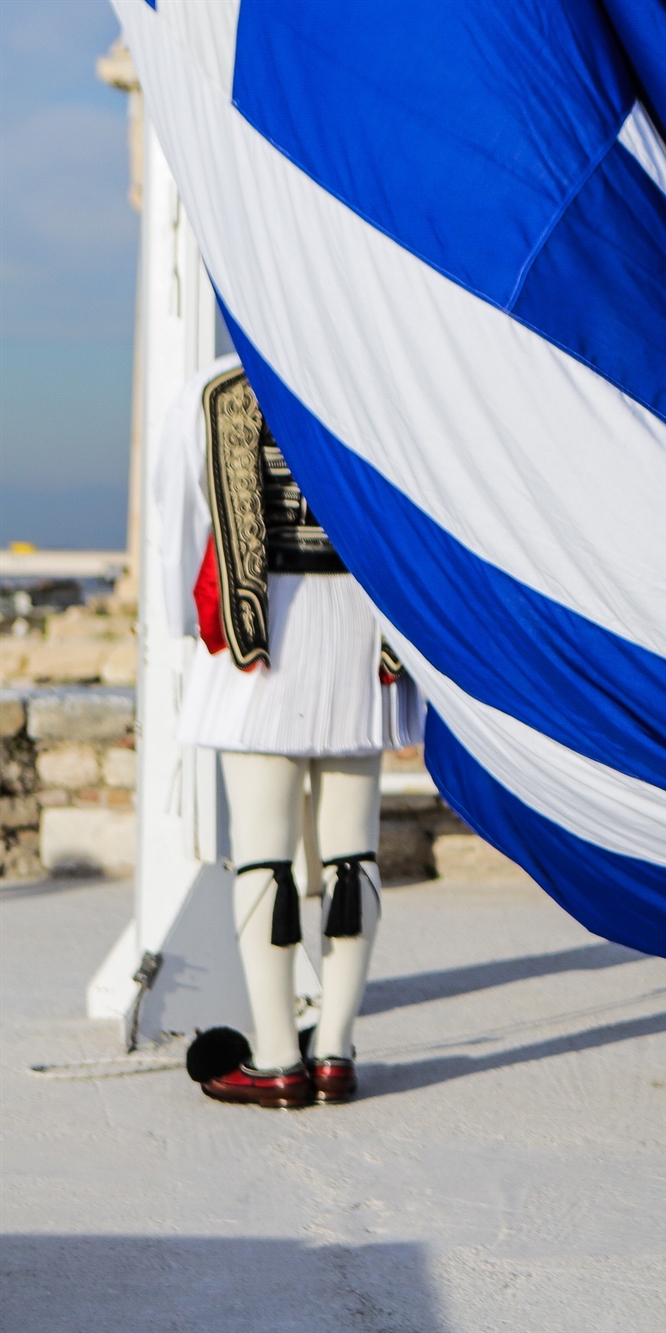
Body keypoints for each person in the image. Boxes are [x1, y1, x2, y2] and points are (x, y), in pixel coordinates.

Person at [154, 357, 422, 1108]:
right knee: (351, 852)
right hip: (360, 631)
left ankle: (278, 1058)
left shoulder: (213, 391)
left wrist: (176, 619)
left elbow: (177, 528)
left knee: (265, 858)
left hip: (261, 627)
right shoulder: (376, 379)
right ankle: (334, 1050)